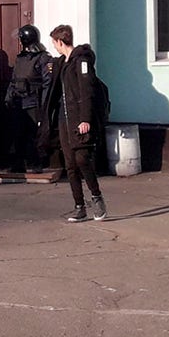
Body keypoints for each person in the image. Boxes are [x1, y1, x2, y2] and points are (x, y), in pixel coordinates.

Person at [50, 25, 107, 222]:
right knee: (70, 164)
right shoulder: (61, 63)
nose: (54, 48)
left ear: (60, 41)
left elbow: (87, 91)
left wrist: (86, 119)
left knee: (82, 159)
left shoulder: (81, 61)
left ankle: (97, 197)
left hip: (80, 120)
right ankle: (79, 206)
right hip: (64, 120)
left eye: (54, 44)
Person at [4, 25, 53, 174]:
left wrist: (45, 105)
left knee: (34, 135)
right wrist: (8, 98)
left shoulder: (43, 58)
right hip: (18, 102)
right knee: (18, 133)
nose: (19, 42)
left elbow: (47, 83)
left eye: (20, 39)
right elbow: (14, 80)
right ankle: (18, 163)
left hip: (34, 102)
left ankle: (36, 163)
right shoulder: (20, 58)